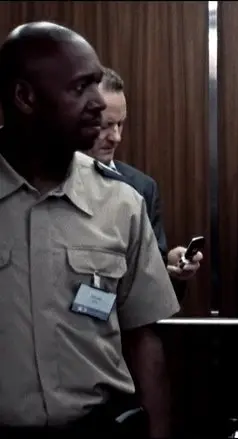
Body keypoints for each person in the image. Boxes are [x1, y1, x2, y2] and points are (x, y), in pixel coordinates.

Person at [0, 21, 180, 438]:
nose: (98, 103)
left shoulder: (121, 203)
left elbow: (144, 339)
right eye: (80, 87)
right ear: (25, 96)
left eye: (96, 84)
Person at [83, 67, 202, 298]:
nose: (116, 137)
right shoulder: (48, 185)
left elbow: (153, 288)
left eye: (120, 124)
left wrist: (172, 269)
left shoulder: (142, 188)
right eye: (105, 125)